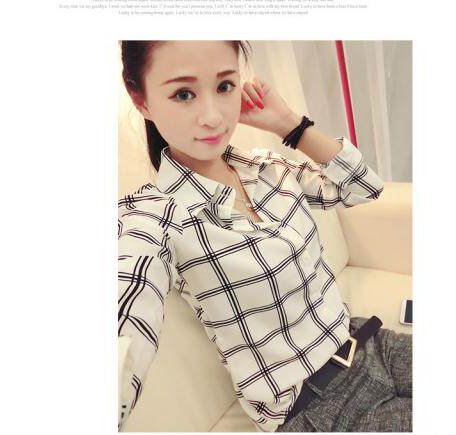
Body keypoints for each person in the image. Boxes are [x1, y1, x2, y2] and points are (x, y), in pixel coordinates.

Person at [118, 40, 412, 432]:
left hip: (369, 343)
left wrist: (289, 124)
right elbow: (126, 320)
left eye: (224, 86)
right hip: (315, 407)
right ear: (140, 99)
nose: (213, 117)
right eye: (184, 94)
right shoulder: (153, 215)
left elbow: (363, 188)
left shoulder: (267, 168)